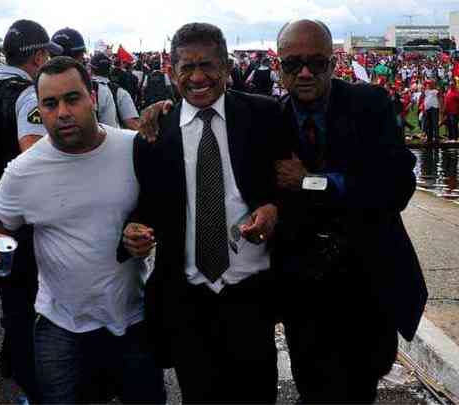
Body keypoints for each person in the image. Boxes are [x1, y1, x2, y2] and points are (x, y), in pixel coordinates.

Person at [0, 56, 166, 404]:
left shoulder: (132, 148)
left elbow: (164, 208)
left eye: (72, 98)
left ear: (92, 97)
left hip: (132, 319)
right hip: (61, 326)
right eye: (49, 103)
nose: (62, 112)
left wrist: (145, 234)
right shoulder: (25, 170)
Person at [123, 22, 281, 403]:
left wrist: (275, 208)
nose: (198, 78)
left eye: (208, 66)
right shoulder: (154, 137)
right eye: (186, 68)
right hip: (189, 302)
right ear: (171, 72)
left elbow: (292, 183)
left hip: (252, 297)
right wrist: (131, 232)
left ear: (226, 67)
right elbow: (144, 209)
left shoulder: (265, 115)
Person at [273, 20, 427, 403]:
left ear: (333, 63)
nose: (304, 72)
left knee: (360, 385)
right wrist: (161, 112)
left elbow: (397, 186)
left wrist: (314, 181)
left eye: (316, 62)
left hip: (365, 281)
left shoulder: (369, 105)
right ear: (279, 67)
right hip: (303, 287)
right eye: (293, 64)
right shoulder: (268, 117)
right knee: (311, 384)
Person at [0, 19, 62, 401]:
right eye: (47, 56)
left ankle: (16, 363)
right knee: (34, 303)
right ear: (38, 56)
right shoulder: (26, 94)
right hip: (24, 218)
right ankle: (39, 386)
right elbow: (35, 153)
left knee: (12, 298)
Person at [90, 52, 140, 130]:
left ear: (91, 69)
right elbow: (131, 123)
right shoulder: (120, 92)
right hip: (112, 139)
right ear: (110, 70)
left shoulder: (80, 87)